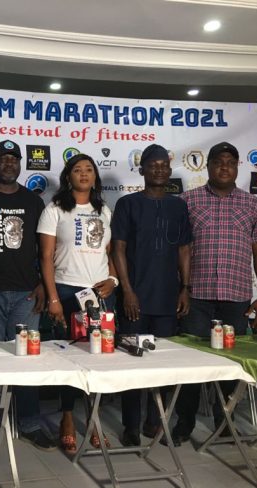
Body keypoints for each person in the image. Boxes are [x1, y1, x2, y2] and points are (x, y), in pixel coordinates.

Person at [171, 141, 257, 445]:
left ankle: (224, 421)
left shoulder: (252, 204)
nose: (224, 167)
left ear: (237, 167)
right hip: (196, 295)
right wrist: (182, 288)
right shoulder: (187, 201)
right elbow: (179, 249)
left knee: (231, 364)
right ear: (208, 166)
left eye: (230, 162)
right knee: (191, 362)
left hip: (236, 296)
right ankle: (184, 423)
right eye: (218, 162)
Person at [0, 140, 55, 452]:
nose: (8, 164)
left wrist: (44, 283)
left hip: (26, 294)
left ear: (21, 164)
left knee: (27, 359)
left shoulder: (33, 201)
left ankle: (30, 424)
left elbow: (45, 249)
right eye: (3, 158)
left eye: (13, 159)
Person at [110, 143, 192, 447]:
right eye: (152, 165)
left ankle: (155, 421)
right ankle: (130, 426)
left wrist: (185, 288)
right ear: (142, 169)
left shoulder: (178, 206)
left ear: (169, 171)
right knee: (132, 363)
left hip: (168, 299)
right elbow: (118, 249)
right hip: (135, 300)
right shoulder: (128, 204)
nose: (159, 170)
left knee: (163, 364)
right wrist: (127, 291)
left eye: (163, 165)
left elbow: (184, 249)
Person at [37, 153, 118, 453]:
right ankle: (68, 419)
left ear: (95, 176)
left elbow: (109, 254)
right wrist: (53, 298)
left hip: (100, 295)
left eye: (89, 170)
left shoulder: (104, 210)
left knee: (99, 360)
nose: (84, 174)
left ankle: (95, 420)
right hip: (66, 292)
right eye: (77, 170)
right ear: (68, 177)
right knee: (70, 363)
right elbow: (46, 257)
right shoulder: (55, 209)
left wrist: (114, 280)